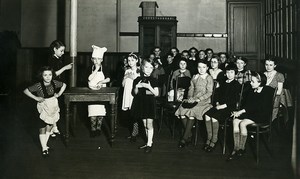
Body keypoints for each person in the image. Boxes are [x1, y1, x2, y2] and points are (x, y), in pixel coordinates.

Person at [227, 72, 274, 161]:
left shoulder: (267, 91)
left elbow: (259, 107)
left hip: (261, 115)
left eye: (253, 81)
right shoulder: (252, 90)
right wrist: (238, 112)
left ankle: (242, 148)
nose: (250, 83)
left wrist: (241, 111)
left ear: (260, 82)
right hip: (251, 113)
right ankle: (236, 148)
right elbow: (248, 105)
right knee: (235, 121)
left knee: (243, 124)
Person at [23, 66, 66, 157]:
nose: (48, 77)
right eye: (45, 75)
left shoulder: (54, 83)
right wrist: (36, 98)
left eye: (50, 75)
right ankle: (44, 148)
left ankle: (45, 146)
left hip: (53, 105)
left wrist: (59, 94)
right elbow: (26, 91)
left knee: (50, 124)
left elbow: (64, 85)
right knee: (42, 126)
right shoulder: (38, 86)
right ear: (41, 76)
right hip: (43, 107)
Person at [175, 60, 214, 148]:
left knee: (191, 114)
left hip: (203, 101)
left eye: (203, 67)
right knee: (182, 113)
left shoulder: (209, 78)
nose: (201, 69)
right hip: (193, 99)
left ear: (207, 68)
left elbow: (209, 93)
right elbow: (191, 89)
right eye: (199, 67)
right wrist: (190, 98)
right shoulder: (194, 77)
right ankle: (189, 134)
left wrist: (198, 99)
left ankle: (184, 138)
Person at [204, 63, 241, 152]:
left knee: (214, 118)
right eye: (227, 72)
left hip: (229, 107)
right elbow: (217, 94)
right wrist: (217, 102)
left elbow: (234, 99)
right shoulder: (224, 82)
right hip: (219, 105)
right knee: (207, 115)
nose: (229, 74)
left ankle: (214, 140)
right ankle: (209, 138)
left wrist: (223, 106)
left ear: (235, 74)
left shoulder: (236, 84)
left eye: (231, 72)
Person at [131, 58, 159, 153]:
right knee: (144, 124)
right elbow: (134, 93)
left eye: (151, 68)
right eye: (146, 67)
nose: (148, 69)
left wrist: (148, 87)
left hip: (150, 104)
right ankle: (148, 141)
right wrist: (136, 87)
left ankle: (150, 144)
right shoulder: (137, 79)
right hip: (141, 103)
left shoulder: (154, 80)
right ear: (142, 67)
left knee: (149, 124)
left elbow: (156, 93)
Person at [48, 40, 73, 137]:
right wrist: (65, 68)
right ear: (55, 49)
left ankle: (54, 127)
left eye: (63, 51)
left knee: (55, 107)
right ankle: (50, 129)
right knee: (51, 108)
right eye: (61, 51)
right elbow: (53, 74)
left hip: (57, 85)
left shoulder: (58, 59)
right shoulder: (51, 60)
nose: (63, 53)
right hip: (52, 85)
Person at [87, 45, 110, 137]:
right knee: (92, 111)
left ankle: (98, 128)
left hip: (102, 91)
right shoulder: (90, 68)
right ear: (92, 60)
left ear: (102, 60)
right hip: (92, 91)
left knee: (100, 112)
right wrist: (96, 69)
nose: (97, 61)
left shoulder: (105, 68)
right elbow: (89, 78)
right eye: (95, 59)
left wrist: (102, 81)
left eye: (99, 59)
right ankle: (93, 129)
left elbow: (108, 79)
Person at [122, 53, 140, 142]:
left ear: (137, 60)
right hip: (127, 93)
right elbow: (123, 84)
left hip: (135, 94)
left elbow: (139, 83)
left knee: (135, 113)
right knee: (131, 114)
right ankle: (134, 132)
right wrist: (126, 77)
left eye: (132, 60)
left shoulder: (139, 71)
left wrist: (133, 77)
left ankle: (135, 133)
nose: (130, 62)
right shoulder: (127, 71)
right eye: (129, 60)